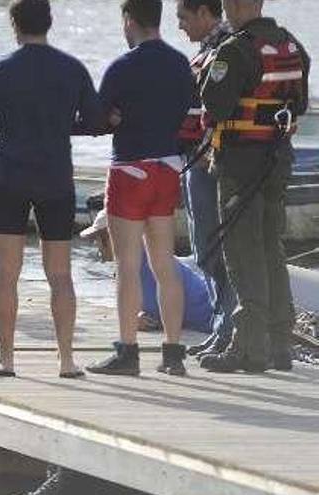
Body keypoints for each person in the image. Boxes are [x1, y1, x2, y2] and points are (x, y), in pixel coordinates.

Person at [0, 0, 106, 379]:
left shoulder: (0, 69)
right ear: (50, 22)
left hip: (10, 178)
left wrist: (10, 120)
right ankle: (66, 361)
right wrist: (62, 124)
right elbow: (95, 120)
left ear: (15, 24)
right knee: (60, 274)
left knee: (5, 274)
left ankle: (7, 359)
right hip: (57, 180)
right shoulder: (72, 68)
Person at [198, 0, 310, 372]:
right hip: (277, 161)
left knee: (243, 252)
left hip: (240, 164)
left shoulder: (235, 50)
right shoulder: (291, 45)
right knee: (270, 247)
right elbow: (300, 104)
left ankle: (248, 348)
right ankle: (280, 343)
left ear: (234, 4)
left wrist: (204, 71)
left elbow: (214, 104)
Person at [85, 0, 193, 376]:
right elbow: (191, 116)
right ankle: (174, 354)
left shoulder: (122, 66)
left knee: (128, 265)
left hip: (129, 168)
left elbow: (97, 118)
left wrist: (113, 118)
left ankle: (128, 352)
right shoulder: (181, 64)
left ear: (129, 20)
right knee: (165, 264)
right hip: (167, 169)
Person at [174, 0, 236, 357]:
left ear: (204, 13)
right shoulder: (209, 50)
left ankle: (228, 329)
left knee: (214, 247)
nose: (181, 26)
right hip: (196, 160)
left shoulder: (226, 50)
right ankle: (221, 327)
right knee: (205, 247)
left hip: (209, 165)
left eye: (184, 17)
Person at [81, 209, 214, 335]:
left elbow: (154, 316)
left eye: (96, 238)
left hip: (212, 318)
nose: (95, 244)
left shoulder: (141, 264)